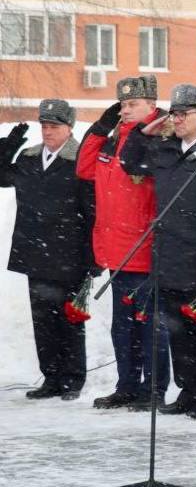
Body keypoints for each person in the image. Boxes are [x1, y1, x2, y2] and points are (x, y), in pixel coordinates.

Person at [119, 85, 196, 419]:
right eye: (174, 114)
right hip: (167, 253)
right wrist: (145, 130)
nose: (177, 120)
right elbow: (130, 162)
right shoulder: (165, 150)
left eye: (184, 114)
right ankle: (189, 389)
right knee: (177, 329)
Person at [76, 76, 170, 410]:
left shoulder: (159, 136)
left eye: (134, 104)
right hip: (116, 249)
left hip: (143, 249)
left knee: (149, 327)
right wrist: (99, 129)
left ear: (151, 104)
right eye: (123, 105)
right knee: (123, 328)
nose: (127, 110)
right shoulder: (114, 139)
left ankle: (154, 389)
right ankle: (127, 385)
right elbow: (86, 169)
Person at [0, 102, 93, 400]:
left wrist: (93, 256)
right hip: (35, 252)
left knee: (70, 320)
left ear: (69, 127)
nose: (48, 131)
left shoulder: (80, 161)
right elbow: (2, 177)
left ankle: (73, 379)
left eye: (55, 126)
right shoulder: (29, 158)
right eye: (45, 126)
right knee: (43, 321)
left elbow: (92, 211)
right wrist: (9, 145)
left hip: (70, 254)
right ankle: (52, 377)